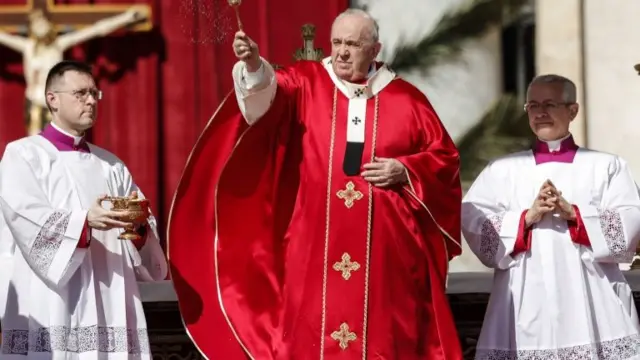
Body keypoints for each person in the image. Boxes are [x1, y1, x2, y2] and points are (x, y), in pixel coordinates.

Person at [168, 8, 463, 360]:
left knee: (386, 341)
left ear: (375, 49)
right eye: (337, 42)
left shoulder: (408, 101)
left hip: (388, 260)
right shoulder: (307, 83)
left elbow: (445, 160)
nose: (341, 52)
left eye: (352, 44)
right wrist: (253, 67)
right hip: (313, 249)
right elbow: (268, 94)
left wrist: (406, 169)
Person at [461, 74, 640, 359]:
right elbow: (472, 217)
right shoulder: (502, 169)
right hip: (524, 297)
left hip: (591, 294)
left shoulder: (607, 166)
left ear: (573, 110)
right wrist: (526, 218)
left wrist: (574, 214)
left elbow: (629, 221)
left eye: (550, 104)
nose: (540, 113)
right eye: (532, 105)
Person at [0, 60, 167, 358]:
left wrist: (138, 228)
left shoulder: (111, 165)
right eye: (81, 93)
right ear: (52, 99)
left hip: (111, 294)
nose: (91, 100)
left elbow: (143, 229)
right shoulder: (23, 155)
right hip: (53, 301)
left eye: (94, 93)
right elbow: (25, 220)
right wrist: (84, 222)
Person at [0, 6, 146, 135]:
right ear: (31, 27)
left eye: (42, 22)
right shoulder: (28, 47)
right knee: (34, 144)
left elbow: (95, 30)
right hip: (35, 100)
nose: (40, 26)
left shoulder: (58, 45)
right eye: (36, 23)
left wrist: (125, 18)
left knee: (58, 143)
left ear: (49, 24)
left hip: (56, 102)